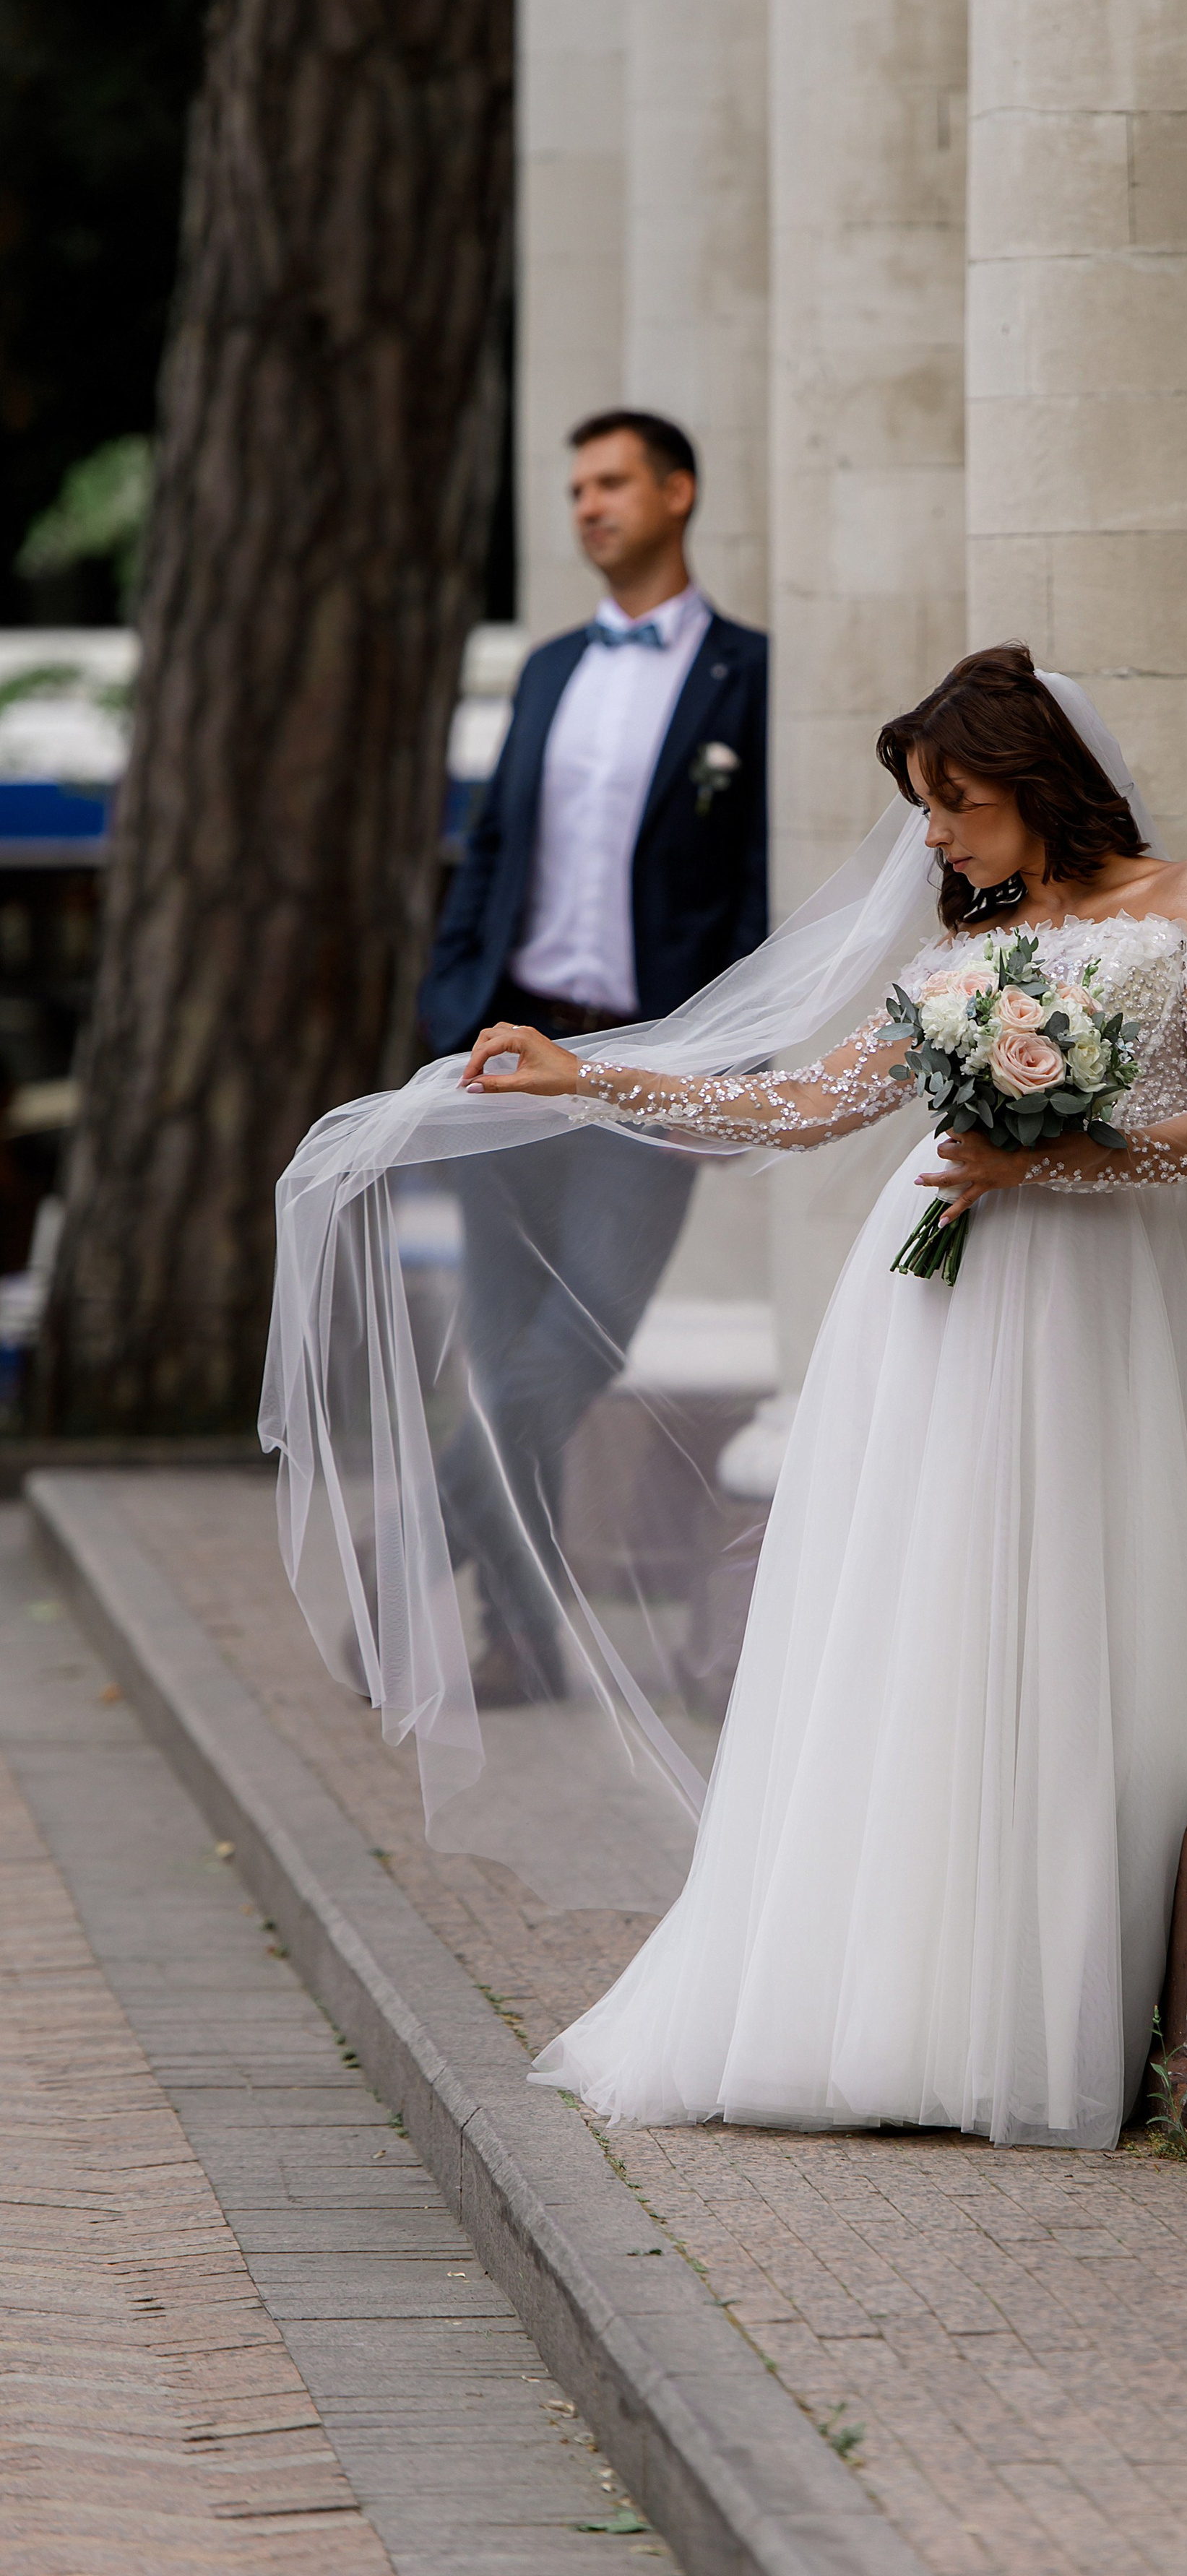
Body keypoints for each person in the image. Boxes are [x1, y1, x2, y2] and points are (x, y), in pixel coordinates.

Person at [447, 646, 1187, 2148]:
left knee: (1077, 1605)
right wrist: (588, 1079)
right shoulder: (958, 964)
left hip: (1099, 1305)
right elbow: (798, 1104)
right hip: (935, 1308)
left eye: (954, 804)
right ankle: (895, 2002)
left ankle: (1050, 2000)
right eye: (922, 811)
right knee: (931, 1610)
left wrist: (1059, 1160)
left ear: (1034, 778)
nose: (936, 839)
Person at [418, 411, 769, 1705]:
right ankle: (519, 1638)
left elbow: (754, 895)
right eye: (575, 488)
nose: (588, 506)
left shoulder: (753, 677)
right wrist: (454, 1009)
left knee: (585, 1336)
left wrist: (730, 1069)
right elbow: (494, 851)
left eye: (613, 482)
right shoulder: (551, 668)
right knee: (509, 1329)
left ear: (678, 493)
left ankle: (415, 1539)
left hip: (650, 1063)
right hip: (510, 1048)